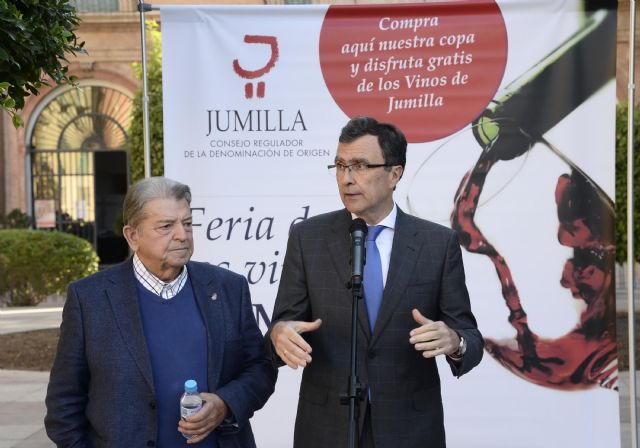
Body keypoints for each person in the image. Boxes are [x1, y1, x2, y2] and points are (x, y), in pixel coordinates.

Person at [266, 116, 483, 448]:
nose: (347, 179)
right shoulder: (307, 238)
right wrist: (279, 335)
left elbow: (470, 338)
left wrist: (454, 341)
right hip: (327, 428)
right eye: (340, 166)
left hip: (409, 429)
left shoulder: (436, 244)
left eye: (360, 166)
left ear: (395, 173)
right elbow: (282, 326)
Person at [45, 177, 277, 447]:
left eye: (187, 223)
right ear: (133, 236)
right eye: (166, 226)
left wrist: (225, 404)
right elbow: (64, 405)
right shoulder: (89, 299)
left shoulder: (228, 288)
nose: (182, 234)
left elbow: (260, 368)